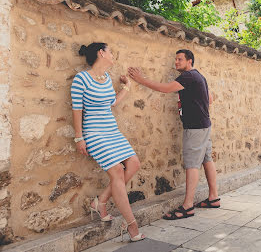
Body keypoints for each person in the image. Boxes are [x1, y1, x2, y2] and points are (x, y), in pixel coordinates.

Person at [128, 49, 220, 220]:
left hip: (195, 128)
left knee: (192, 164)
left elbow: (165, 88)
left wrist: (141, 79)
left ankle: (187, 206)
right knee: (207, 159)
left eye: (179, 59)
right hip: (204, 125)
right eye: (175, 59)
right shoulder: (199, 76)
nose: (176, 62)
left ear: (189, 61)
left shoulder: (188, 76)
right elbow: (210, 99)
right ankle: (213, 197)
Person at [71, 43, 145, 242]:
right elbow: (77, 109)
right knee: (118, 173)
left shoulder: (106, 79)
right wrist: (79, 137)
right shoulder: (81, 78)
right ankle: (131, 225)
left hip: (112, 131)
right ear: (101, 53)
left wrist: (126, 87)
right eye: (110, 51)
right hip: (94, 133)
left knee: (134, 163)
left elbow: (111, 102)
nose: (113, 55)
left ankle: (101, 201)